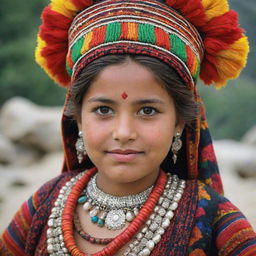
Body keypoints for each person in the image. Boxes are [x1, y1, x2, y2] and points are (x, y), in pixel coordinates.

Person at [1, 0, 256, 255]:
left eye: (147, 111)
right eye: (103, 110)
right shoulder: (43, 205)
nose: (123, 133)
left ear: (179, 122)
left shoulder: (216, 223)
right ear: (78, 118)